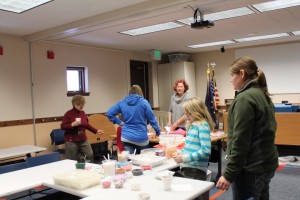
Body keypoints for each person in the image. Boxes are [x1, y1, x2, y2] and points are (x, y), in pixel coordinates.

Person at [216, 57, 278, 200]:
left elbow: (240, 141)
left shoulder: (245, 98)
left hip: (251, 169)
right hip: (265, 164)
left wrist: (229, 173)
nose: (231, 80)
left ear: (242, 74)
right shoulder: (262, 94)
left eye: (232, 75)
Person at [106, 85, 160, 154]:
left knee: (130, 162)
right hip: (141, 139)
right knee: (143, 161)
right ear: (141, 93)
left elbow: (109, 113)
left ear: (129, 93)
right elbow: (152, 119)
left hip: (126, 138)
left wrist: (120, 122)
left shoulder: (123, 102)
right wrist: (157, 131)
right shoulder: (144, 102)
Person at [172, 97, 215, 181]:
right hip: (188, 168)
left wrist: (183, 158)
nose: (186, 115)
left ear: (197, 112)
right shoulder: (193, 126)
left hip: (195, 170)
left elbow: (206, 151)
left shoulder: (202, 125)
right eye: (186, 113)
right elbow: (189, 148)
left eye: (189, 113)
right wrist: (179, 153)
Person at [61, 95, 104, 162]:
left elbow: (86, 125)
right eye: (80, 105)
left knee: (89, 154)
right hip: (71, 140)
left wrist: (96, 131)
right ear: (75, 104)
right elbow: (63, 126)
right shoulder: (68, 114)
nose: (82, 106)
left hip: (83, 138)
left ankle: (87, 169)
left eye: (83, 104)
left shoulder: (83, 113)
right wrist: (72, 124)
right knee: (71, 160)